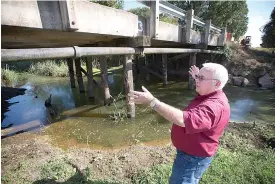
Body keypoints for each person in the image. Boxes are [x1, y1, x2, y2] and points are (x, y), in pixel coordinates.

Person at [129, 63, 230, 184]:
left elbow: (183, 120)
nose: (197, 80)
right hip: (190, 154)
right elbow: (205, 86)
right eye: (198, 76)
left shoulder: (214, 107)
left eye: (201, 78)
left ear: (217, 84)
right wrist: (199, 77)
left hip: (192, 158)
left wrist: (153, 102)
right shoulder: (210, 94)